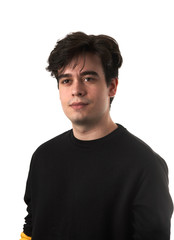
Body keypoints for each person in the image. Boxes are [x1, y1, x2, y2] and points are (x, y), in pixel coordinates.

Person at [20, 32, 173, 240]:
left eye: (88, 78)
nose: (76, 90)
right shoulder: (43, 157)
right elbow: (30, 229)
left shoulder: (145, 166)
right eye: (66, 80)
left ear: (112, 87)